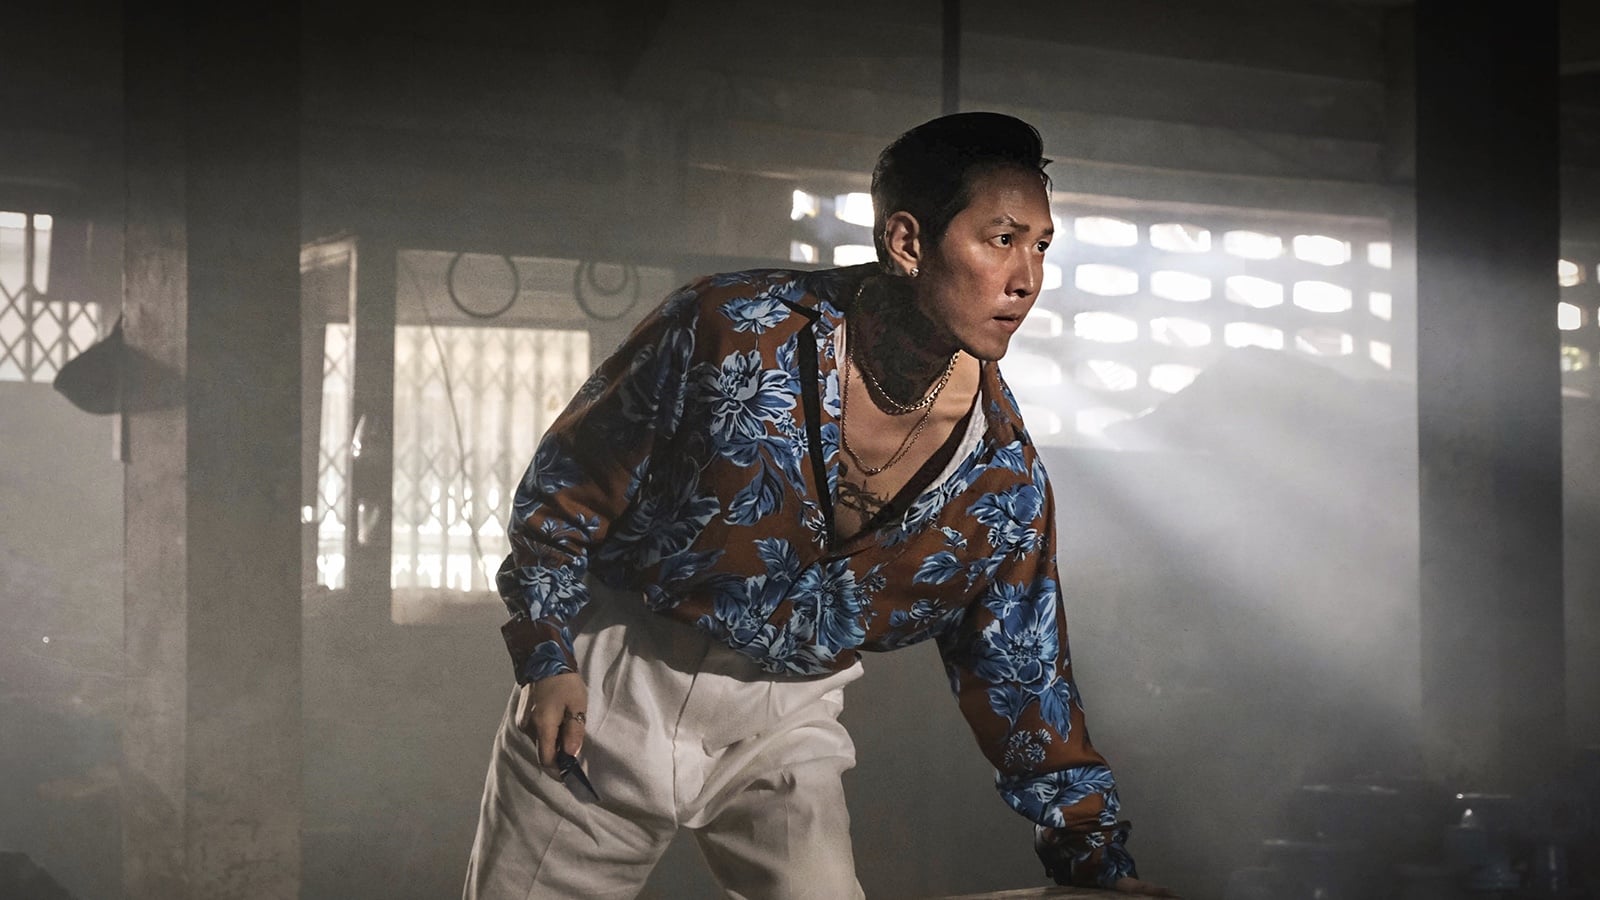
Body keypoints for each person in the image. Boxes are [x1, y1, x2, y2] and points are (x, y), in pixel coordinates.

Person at [464, 111, 1176, 899]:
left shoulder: (1001, 481)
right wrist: (548, 656)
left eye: (1041, 246)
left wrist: (1093, 862)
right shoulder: (729, 328)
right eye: (1001, 239)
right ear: (907, 242)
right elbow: (564, 489)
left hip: (785, 725)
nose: (1027, 279)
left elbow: (1023, 675)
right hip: (612, 681)